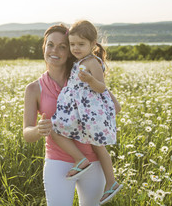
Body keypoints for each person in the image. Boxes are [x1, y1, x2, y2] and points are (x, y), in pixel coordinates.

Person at [23, 24, 121, 206]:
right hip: (57, 162)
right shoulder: (34, 88)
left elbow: (114, 106)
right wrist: (39, 129)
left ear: (70, 51)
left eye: (62, 46)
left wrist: (87, 112)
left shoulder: (82, 75)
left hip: (93, 160)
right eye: (50, 44)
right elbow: (27, 133)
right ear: (44, 47)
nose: (55, 50)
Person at [51, 20, 123, 205]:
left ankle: (110, 180)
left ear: (93, 44)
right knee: (59, 131)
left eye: (81, 44)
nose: (75, 48)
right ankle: (84, 162)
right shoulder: (80, 61)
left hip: (91, 113)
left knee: (96, 145)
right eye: (72, 44)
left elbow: (101, 87)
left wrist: (91, 80)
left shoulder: (92, 62)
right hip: (81, 113)